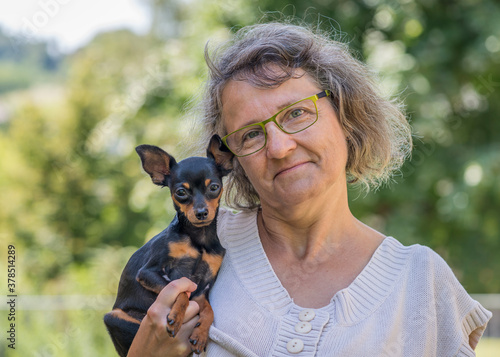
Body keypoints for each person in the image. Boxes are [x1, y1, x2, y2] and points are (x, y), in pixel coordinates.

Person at [128, 22, 492, 356]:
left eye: (297, 113)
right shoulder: (196, 243)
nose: (280, 147)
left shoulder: (422, 282)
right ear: (230, 158)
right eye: (251, 134)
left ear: (346, 114)